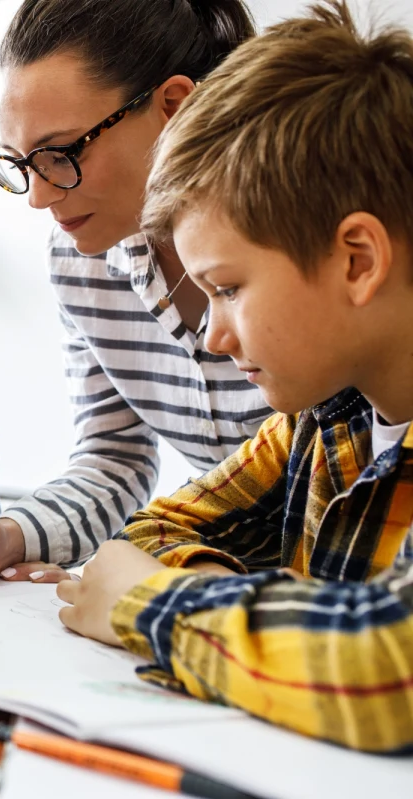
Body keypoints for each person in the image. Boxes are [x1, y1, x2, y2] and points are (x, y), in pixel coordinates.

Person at [59, 1, 413, 752]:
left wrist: (157, 605)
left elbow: (390, 665)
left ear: (358, 260)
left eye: (227, 288)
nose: (213, 335)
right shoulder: (321, 420)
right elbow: (151, 532)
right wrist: (256, 625)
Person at [0, 0, 272, 582]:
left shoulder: (299, 248)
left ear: (175, 107)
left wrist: (166, 582)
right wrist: (13, 538)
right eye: (19, 162)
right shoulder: (81, 259)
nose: (38, 198)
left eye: (61, 154)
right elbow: (114, 458)